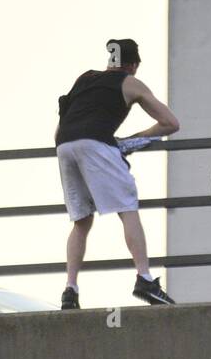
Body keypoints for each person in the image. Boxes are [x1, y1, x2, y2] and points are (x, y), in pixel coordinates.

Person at [55, 39, 180, 309]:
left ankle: (70, 289)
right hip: (96, 142)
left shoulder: (85, 79)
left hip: (64, 145)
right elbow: (171, 123)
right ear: (133, 64)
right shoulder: (130, 83)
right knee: (127, 207)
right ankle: (145, 279)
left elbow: (63, 119)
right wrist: (133, 140)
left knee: (81, 220)